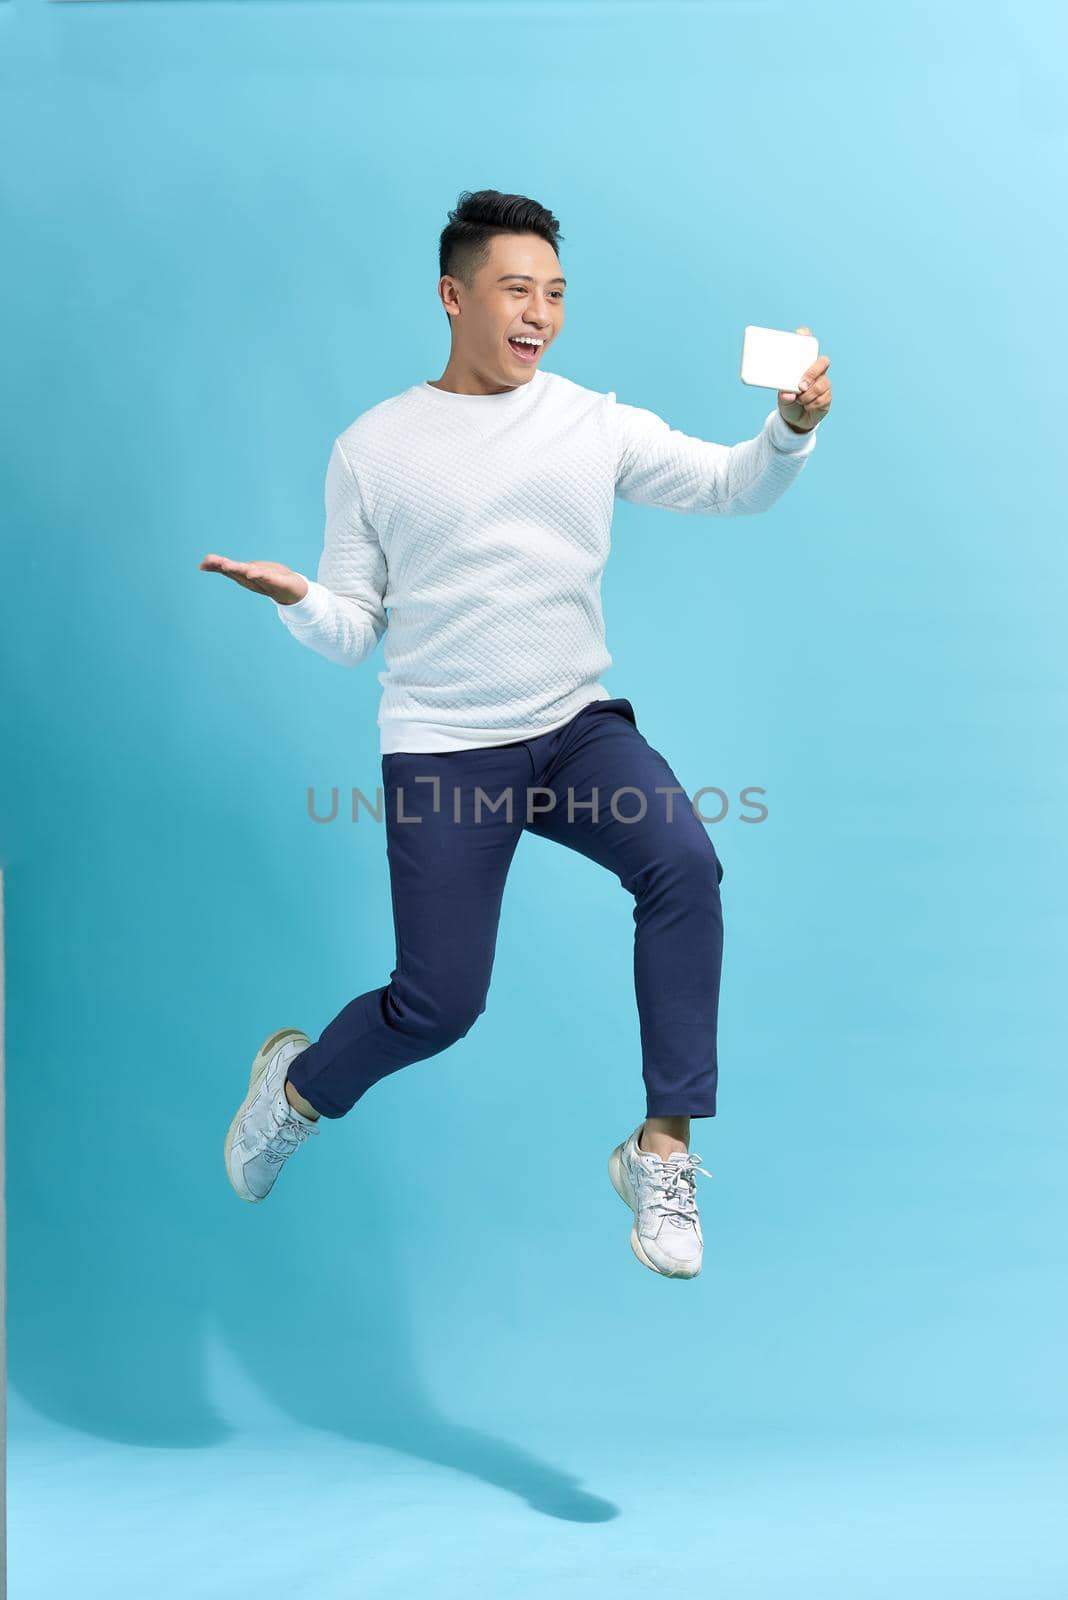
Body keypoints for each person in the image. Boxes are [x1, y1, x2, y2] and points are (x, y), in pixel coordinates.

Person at [203, 189, 832, 1279]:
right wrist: (299, 598)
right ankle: (297, 1089)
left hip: (575, 733)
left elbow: (737, 488)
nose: (538, 312)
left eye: (554, 294)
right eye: (515, 290)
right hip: (446, 748)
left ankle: (662, 1149)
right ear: (454, 297)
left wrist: (790, 430)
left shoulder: (594, 423)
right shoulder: (374, 448)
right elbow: (355, 633)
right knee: (437, 1004)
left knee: (686, 861)